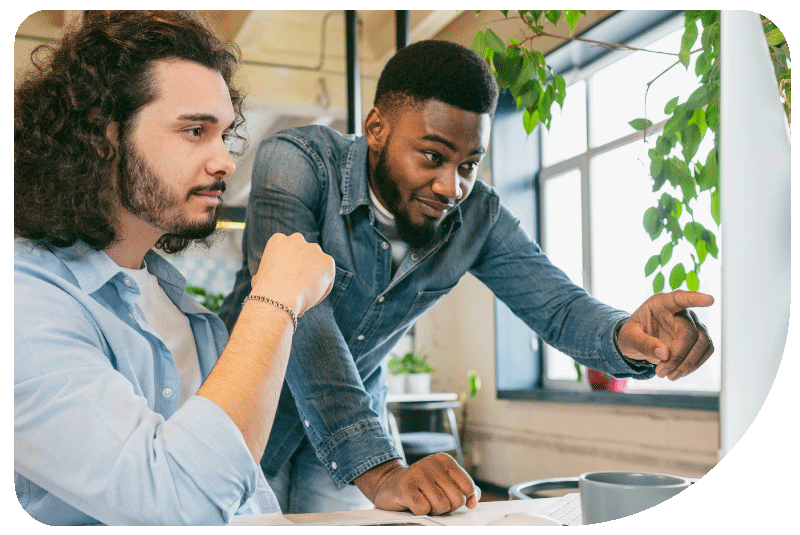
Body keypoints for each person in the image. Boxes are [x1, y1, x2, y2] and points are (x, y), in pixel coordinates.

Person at [219, 39, 715, 516]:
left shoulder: (479, 216)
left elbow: (558, 305)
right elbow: (303, 317)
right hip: (247, 405)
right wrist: (382, 469)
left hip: (353, 420)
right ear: (376, 128)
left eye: (470, 164)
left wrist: (627, 335)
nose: (451, 186)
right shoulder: (296, 162)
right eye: (433, 156)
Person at [14, 11, 335, 525]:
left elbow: (240, 497)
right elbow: (178, 503)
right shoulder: (27, 302)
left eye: (224, 134)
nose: (227, 161)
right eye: (194, 130)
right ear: (105, 135)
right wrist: (274, 299)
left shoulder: (170, 298)